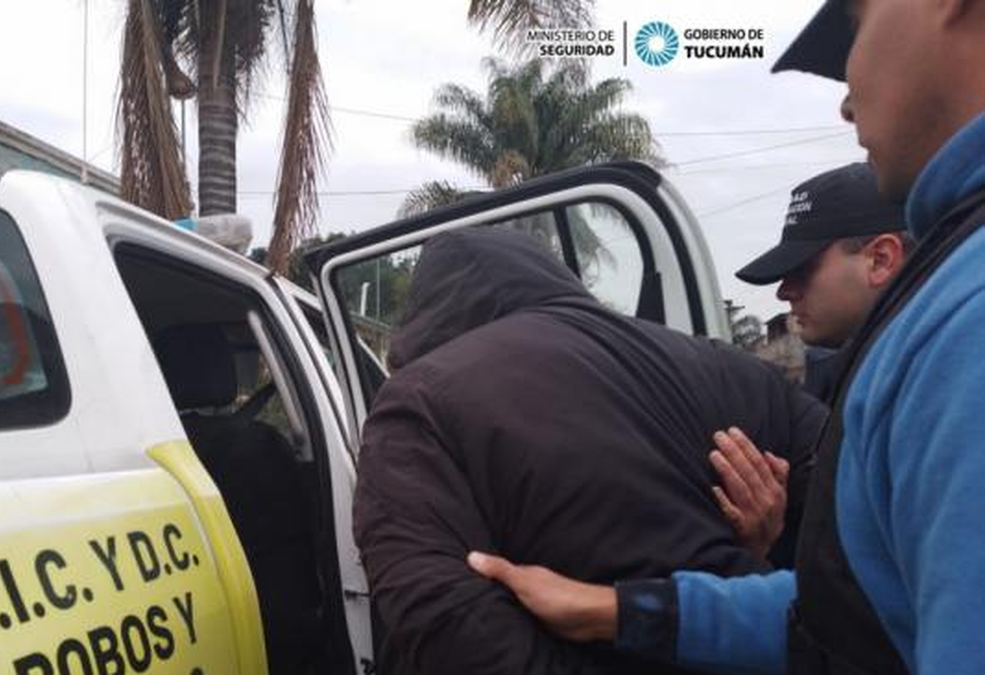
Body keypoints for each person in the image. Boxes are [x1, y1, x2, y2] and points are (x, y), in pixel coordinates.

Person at [470, 0, 985, 673]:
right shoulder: (940, 305)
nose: (844, 103)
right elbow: (863, 613)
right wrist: (612, 609)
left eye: (855, 27)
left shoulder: (964, 325)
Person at [352, 226, 825, 674]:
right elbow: (859, 545)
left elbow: (441, 616)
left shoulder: (418, 401)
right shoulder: (727, 367)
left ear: (427, 313)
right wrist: (764, 556)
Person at [737, 162, 912, 399]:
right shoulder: (873, 374)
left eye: (802, 270)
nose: (784, 292)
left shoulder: (943, 374)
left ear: (880, 260)